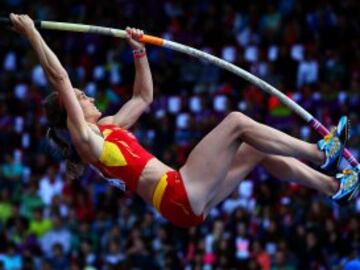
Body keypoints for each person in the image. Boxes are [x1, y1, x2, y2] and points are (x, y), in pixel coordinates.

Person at [9, 13, 360, 228]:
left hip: (183, 205)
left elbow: (143, 98)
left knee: (254, 150)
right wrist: (31, 34)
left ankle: (335, 188)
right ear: (71, 114)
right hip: (178, 192)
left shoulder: (109, 128)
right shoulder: (88, 141)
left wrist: (138, 51)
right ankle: (321, 152)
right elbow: (59, 79)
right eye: (82, 98)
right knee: (237, 122)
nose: (89, 97)